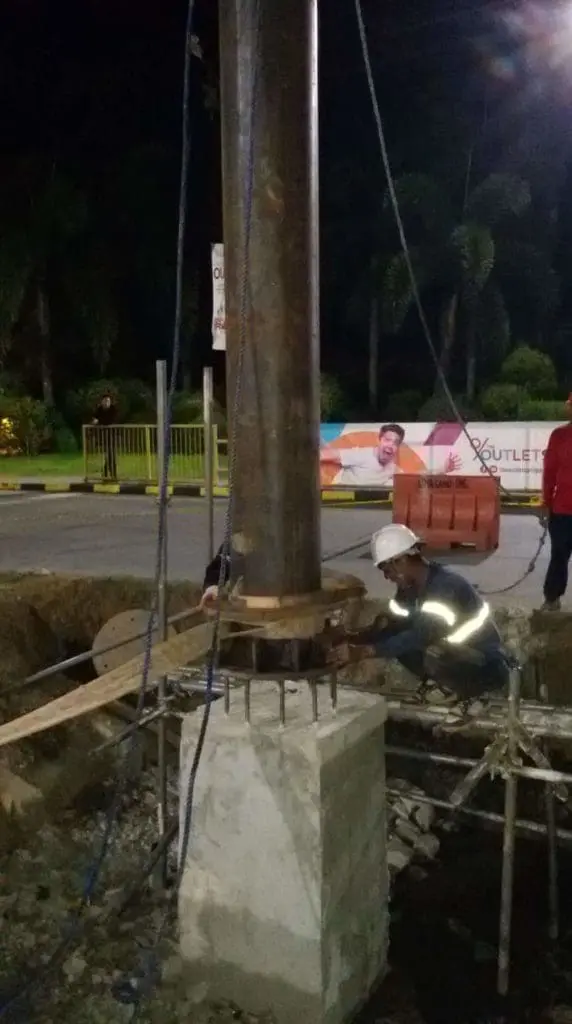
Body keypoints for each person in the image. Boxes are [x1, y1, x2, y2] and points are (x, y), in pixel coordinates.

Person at [329, 523, 510, 708]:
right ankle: (440, 685)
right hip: (457, 654)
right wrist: (354, 639)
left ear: (401, 561)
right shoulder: (409, 590)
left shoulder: (445, 587)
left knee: (429, 649)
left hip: (485, 663)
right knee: (396, 638)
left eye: (386, 569)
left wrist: (364, 652)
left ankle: (472, 694)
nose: (386, 577)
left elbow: (424, 634)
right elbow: (391, 627)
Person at [320, 423, 461, 487]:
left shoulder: (392, 468)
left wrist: (443, 469)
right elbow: (324, 455)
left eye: (395, 443)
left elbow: (416, 474)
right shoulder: (361, 455)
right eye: (387, 440)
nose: (390, 445)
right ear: (379, 440)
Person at [540, 394, 572, 611]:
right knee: (559, 555)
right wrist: (546, 503)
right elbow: (549, 472)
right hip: (562, 509)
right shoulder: (559, 436)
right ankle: (552, 599)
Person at [92, 393, 118, 480]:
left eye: (108, 401)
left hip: (112, 435)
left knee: (111, 454)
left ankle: (109, 474)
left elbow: (111, 421)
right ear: (102, 402)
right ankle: (108, 474)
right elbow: (94, 419)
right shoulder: (99, 409)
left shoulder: (113, 409)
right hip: (103, 436)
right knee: (109, 455)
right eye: (105, 401)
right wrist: (96, 421)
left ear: (110, 402)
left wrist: (99, 421)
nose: (106, 403)